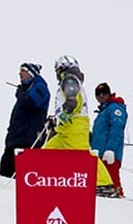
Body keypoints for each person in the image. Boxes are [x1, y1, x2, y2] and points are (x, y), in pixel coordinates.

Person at [44, 55, 115, 192]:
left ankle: (103, 184)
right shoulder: (71, 81)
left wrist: (63, 116)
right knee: (48, 151)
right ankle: (44, 178)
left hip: (74, 126)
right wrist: (57, 119)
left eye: (58, 70)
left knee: (83, 156)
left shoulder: (69, 79)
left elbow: (73, 102)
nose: (57, 74)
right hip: (65, 129)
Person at [0, 62, 51, 178]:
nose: (20, 73)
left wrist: (20, 93)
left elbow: (31, 102)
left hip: (28, 139)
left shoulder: (39, 86)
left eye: (23, 70)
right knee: (6, 172)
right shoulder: (27, 89)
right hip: (16, 138)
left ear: (31, 73)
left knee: (22, 174)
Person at [91, 82, 128, 198]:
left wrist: (111, 149)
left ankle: (119, 198)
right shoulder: (102, 112)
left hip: (108, 153)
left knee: (112, 180)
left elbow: (117, 128)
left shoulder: (114, 108)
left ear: (109, 93)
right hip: (99, 154)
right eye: (98, 94)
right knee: (102, 183)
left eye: (104, 93)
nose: (101, 96)